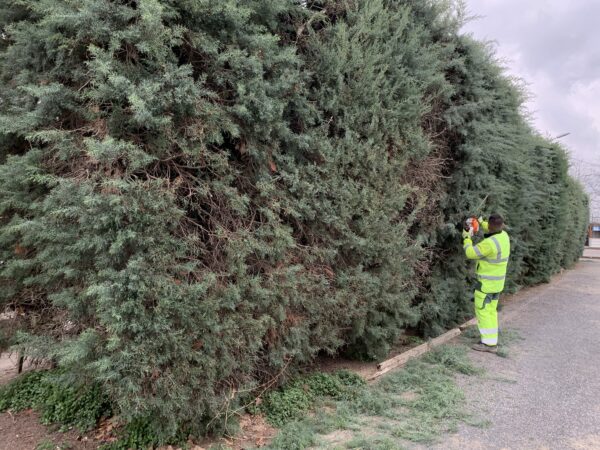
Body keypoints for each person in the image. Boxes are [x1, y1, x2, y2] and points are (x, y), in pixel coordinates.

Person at [462, 214, 510, 353]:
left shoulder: (489, 244)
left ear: (490, 225)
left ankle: (488, 344)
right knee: (490, 312)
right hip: (497, 284)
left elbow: (471, 253)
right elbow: (491, 227)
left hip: (486, 285)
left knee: (483, 312)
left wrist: (466, 238)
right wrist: (481, 222)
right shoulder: (504, 236)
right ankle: (491, 340)